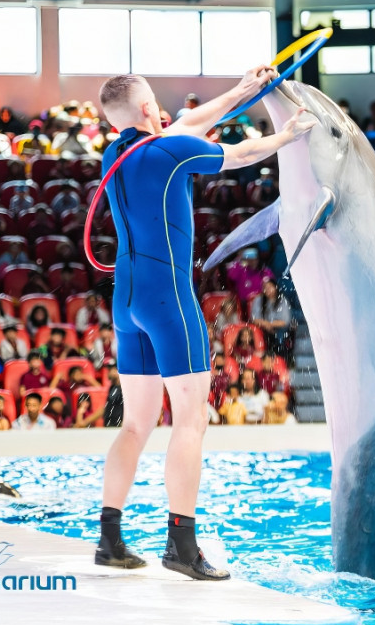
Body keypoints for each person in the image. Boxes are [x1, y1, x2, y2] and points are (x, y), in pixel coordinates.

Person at [93, 67, 314, 577]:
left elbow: (186, 124)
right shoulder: (168, 151)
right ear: (147, 109)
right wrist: (287, 136)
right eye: (155, 102)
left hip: (127, 300)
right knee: (191, 420)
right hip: (167, 298)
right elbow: (241, 154)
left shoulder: (117, 154)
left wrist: (243, 91)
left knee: (136, 424)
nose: (163, 110)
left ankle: (109, 539)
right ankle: (182, 546)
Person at [249, 278, 291, 356]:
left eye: (270, 287)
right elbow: (254, 319)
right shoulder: (258, 300)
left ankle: (279, 357)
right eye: (265, 287)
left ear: (275, 287)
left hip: (279, 328)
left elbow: (285, 321)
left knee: (280, 335)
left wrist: (270, 324)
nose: (267, 289)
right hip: (262, 327)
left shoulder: (282, 300)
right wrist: (266, 325)